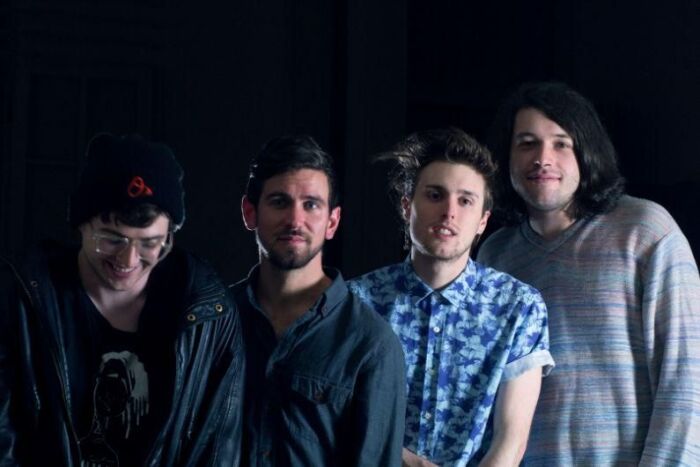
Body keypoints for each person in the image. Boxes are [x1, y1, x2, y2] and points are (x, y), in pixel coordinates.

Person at [477, 81, 700, 465]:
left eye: (561, 143)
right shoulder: (495, 256)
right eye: (527, 143)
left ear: (586, 151)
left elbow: (687, 379)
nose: (542, 158)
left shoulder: (646, 230)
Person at [0, 134, 243, 466]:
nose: (129, 259)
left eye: (150, 243)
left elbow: (217, 449)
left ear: (170, 235)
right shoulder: (21, 299)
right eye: (112, 239)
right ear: (81, 224)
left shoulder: (210, 314)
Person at [349, 128, 554, 467]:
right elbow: (345, 417)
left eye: (465, 201)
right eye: (435, 195)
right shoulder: (358, 302)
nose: (449, 212)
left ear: (483, 221)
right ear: (407, 207)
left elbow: (510, 441)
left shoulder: (519, 307)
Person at [231, 135, 406, 466]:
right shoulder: (216, 322)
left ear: (332, 222)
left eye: (311, 204)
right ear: (250, 212)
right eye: (279, 202)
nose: (295, 221)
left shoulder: (371, 345)